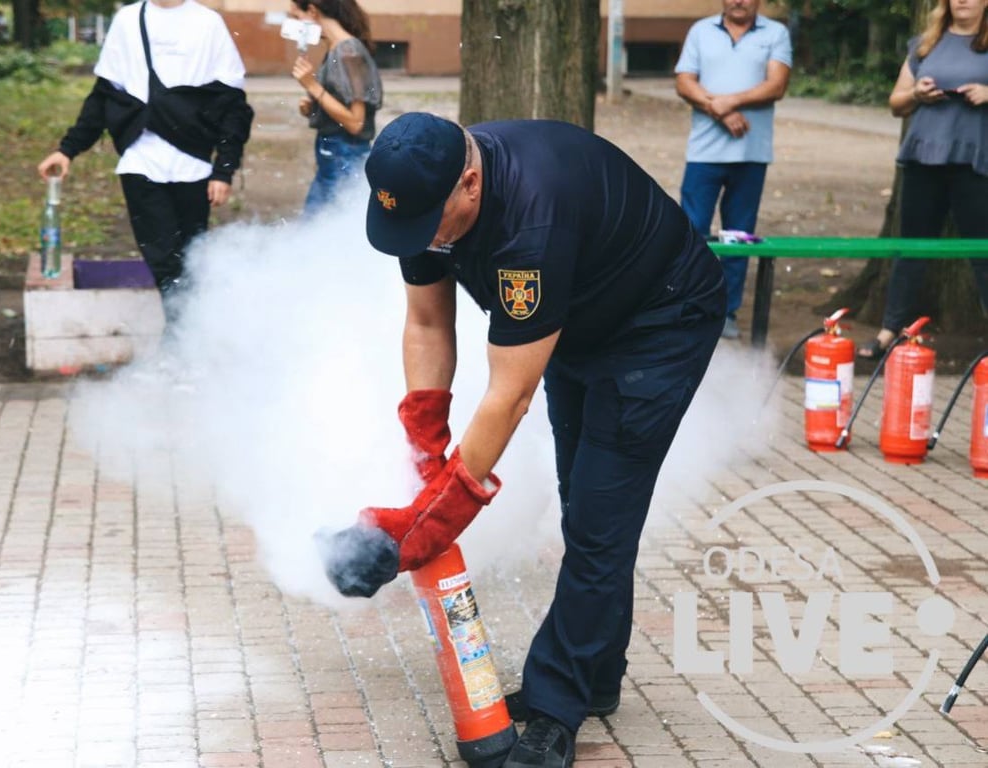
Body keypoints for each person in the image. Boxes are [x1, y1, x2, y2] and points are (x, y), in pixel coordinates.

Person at [318, 112, 726, 768]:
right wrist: (426, 451)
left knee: (598, 520)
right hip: (578, 320)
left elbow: (508, 395)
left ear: (470, 187)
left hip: (660, 322)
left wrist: (430, 524)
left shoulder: (530, 222)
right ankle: (595, 676)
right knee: (588, 507)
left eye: (430, 226)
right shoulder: (427, 188)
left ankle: (554, 705)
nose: (422, 240)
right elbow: (426, 324)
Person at [37, 0, 253, 326]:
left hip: (193, 166)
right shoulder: (127, 20)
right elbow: (104, 94)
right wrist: (67, 150)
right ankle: (182, 343)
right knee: (164, 259)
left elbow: (233, 106)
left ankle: (193, 339)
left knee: (191, 259)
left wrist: (224, 168)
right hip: (140, 163)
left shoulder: (207, 24)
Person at [859, 0, 988, 359]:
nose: (962, 0)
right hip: (922, 158)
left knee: (983, 251)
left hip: (973, 162)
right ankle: (890, 331)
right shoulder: (925, 44)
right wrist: (917, 94)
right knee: (911, 248)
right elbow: (895, 102)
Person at [674, 0, 792, 340]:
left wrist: (730, 101)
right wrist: (721, 110)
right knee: (691, 232)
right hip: (703, 153)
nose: (739, 0)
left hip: (751, 154)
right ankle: (687, 306)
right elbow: (684, 82)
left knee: (739, 235)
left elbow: (776, 85)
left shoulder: (776, 33)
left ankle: (726, 312)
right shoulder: (700, 31)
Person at [287, 0, 383, 216]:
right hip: (334, 155)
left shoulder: (349, 51)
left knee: (325, 228)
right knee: (317, 228)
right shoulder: (335, 48)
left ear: (312, 11)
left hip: (345, 156)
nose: (294, 23)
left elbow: (356, 123)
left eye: (296, 16)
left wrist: (312, 86)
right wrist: (313, 106)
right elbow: (340, 104)